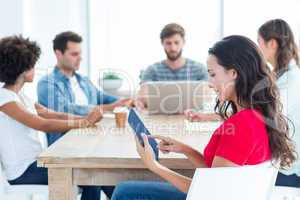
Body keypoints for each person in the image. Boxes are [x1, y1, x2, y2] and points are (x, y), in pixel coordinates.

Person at [111, 35, 296, 200]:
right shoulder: (256, 116)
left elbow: (211, 192)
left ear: (233, 73)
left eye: (213, 74)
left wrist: (155, 167)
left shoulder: (242, 125)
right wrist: (184, 149)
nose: (210, 83)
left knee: (123, 191)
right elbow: (217, 174)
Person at [0, 35, 104, 200]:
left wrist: (86, 120)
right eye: (33, 65)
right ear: (23, 69)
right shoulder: (5, 99)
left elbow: (51, 114)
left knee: (92, 170)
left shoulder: (20, 96)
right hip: (24, 171)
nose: (35, 69)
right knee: (91, 177)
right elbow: (43, 124)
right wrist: (85, 122)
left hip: (37, 163)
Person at [37, 31, 133, 146]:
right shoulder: (47, 83)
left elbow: (102, 97)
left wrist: (125, 101)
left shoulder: (83, 80)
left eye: (80, 54)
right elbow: (63, 110)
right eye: (74, 54)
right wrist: (106, 108)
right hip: (65, 145)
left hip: (92, 138)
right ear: (58, 54)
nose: (80, 58)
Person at [258, 19, 300, 188]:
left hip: (288, 171)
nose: (257, 48)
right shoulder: (280, 74)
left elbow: (265, 114)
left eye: (259, 42)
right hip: (280, 160)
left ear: (272, 43)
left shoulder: (291, 79)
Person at [137, 23, 208, 110]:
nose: (173, 48)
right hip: (160, 119)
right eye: (168, 43)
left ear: (183, 43)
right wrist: (142, 101)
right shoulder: (152, 70)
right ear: (162, 43)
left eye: (176, 43)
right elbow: (142, 97)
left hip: (193, 118)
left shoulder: (199, 69)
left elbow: (208, 96)